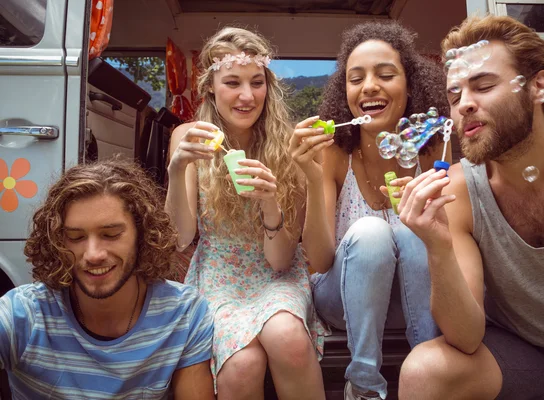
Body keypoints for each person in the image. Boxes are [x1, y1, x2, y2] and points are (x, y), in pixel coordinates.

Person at [396, 15, 544, 400]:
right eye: (454, 97)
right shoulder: (458, 190)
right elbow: (465, 337)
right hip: (521, 355)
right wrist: (438, 246)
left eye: (483, 86)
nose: (464, 106)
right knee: (425, 372)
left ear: (538, 86)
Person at [289, 20, 449, 400]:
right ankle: (362, 386)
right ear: (344, 92)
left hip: (418, 304)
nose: (369, 86)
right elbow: (321, 261)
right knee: (372, 233)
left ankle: (430, 371)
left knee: (414, 230)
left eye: (385, 74)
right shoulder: (332, 154)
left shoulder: (435, 151)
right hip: (343, 302)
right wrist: (311, 179)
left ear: (410, 85)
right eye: (355, 78)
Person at [165, 27, 326, 399]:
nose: (247, 95)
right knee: (241, 364)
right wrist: (176, 169)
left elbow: (282, 261)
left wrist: (270, 204)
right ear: (210, 88)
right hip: (219, 276)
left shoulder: (289, 145)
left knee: (289, 337)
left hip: (275, 275)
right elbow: (180, 237)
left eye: (257, 82)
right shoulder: (189, 137)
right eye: (233, 82)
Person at [0, 159, 215, 399]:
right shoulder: (22, 315)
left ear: (142, 233)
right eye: (76, 237)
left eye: (110, 234)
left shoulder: (184, 314)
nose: (93, 255)